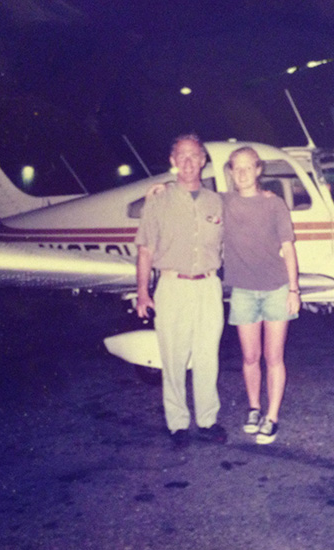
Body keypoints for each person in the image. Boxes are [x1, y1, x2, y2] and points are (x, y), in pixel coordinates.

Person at [134, 134, 227, 449]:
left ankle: (208, 419)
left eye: (194, 156)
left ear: (203, 160)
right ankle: (177, 423)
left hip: (209, 286)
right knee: (173, 357)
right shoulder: (158, 200)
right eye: (181, 156)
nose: (188, 162)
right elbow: (145, 250)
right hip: (172, 286)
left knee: (207, 356)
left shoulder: (217, 201)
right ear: (173, 162)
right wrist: (143, 293)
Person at [223, 146, 300, 444]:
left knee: (274, 356)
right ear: (230, 171)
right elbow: (191, 199)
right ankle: (254, 408)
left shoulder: (274, 204)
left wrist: (294, 289)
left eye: (248, 167)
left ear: (258, 170)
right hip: (243, 291)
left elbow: (289, 248)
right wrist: (159, 189)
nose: (241, 173)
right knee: (250, 356)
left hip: (276, 288)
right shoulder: (223, 203)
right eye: (236, 167)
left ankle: (272, 416)